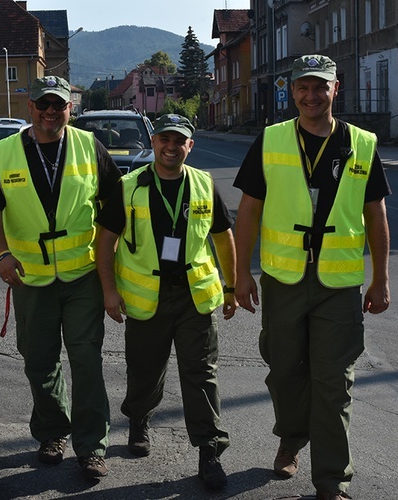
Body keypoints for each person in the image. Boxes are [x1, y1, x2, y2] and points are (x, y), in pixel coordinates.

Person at [233, 55, 391, 500]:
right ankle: (291, 435)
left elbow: (375, 214)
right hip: (282, 279)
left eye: (319, 87)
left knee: (334, 381)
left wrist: (380, 279)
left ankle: (331, 480)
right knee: (284, 371)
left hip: (338, 287)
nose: (310, 96)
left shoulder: (361, 143)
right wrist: (240, 273)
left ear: (335, 89)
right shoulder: (270, 140)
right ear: (291, 91)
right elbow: (248, 211)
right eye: (302, 87)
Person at [0, 76, 121, 480]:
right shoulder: (7, 151)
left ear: (69, 109)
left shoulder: (89, 146)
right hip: (29, 280)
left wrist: (108, 266)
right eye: (43, 104)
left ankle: (92, 446)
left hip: (81, 277)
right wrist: (2, 254)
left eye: (58, 105)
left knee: (86, 360)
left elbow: (114, 205)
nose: (50, 112)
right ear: (31, 107)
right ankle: (53, 433)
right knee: (39, 362)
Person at [96, 114, 238, 491]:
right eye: (164, 140)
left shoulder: (206, 184)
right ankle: (139, 418)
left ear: (190, 146)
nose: (171, 147)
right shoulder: (129, 186)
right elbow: (105, 242)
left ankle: (209, 450)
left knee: (201, 375)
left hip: (194, 296)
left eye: (180, 141)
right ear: (153, 142)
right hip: (147, 299)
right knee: (145, 369)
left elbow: (223, 238)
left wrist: (231, 286)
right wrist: (109, 291)